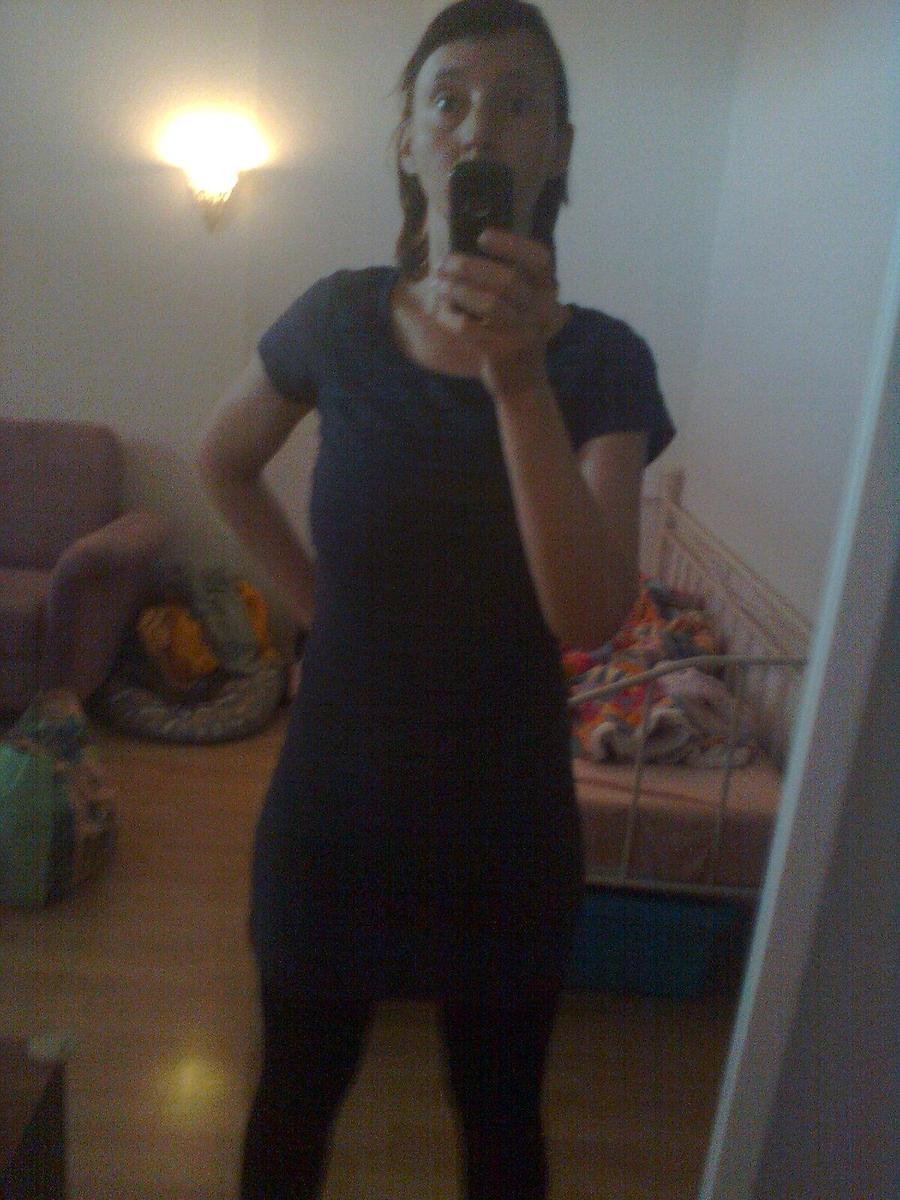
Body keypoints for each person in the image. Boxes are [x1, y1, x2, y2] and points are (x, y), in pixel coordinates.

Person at [197, 2, 675, 1196]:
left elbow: (588, 616)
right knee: (293, 1103)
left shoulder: (603, 360)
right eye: (448, 99)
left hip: (506, 829)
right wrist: (321, 608)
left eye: (518, 102)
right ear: (407, 141)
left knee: (502, 1126)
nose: (478, 127)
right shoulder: (338, 320)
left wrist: (521, 382)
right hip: (334, 813)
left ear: (558, 148)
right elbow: (223, 462)